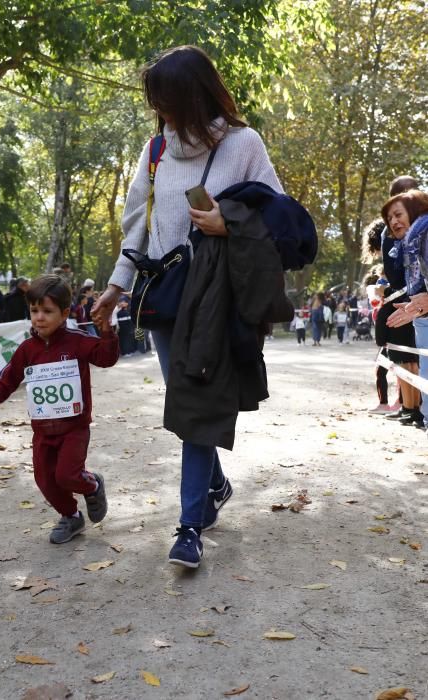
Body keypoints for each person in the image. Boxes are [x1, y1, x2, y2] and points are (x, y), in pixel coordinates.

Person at [92, 45, 287, 569]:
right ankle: (216, 486)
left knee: (195, 403)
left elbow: (280, 216)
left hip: (216, 300)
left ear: (192, 94)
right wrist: (115, 288)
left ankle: (188, 527)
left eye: (167, 98)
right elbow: (138, 222)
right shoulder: (155, 150)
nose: (161, 110)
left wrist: (231, 223)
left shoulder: (244, 144)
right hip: (162, 299)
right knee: (187, 409)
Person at [0, 275, 119, 543]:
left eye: (47, 311)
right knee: (46, 480)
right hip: (43, 429)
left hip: (74, 427)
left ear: (65, 313)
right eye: (34, 311)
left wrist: (107, 333)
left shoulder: (77, 341)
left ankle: (92, 484)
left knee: (67, 475)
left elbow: (106, 358)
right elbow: (8, 377)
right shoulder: (27, 349)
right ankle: (71, 517)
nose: (39, 317)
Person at [383, 189, 428, 430]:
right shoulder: (412, 242)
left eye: (398, 214)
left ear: (415, 210)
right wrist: (418, 308)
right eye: (389, 218)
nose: (393, 222)